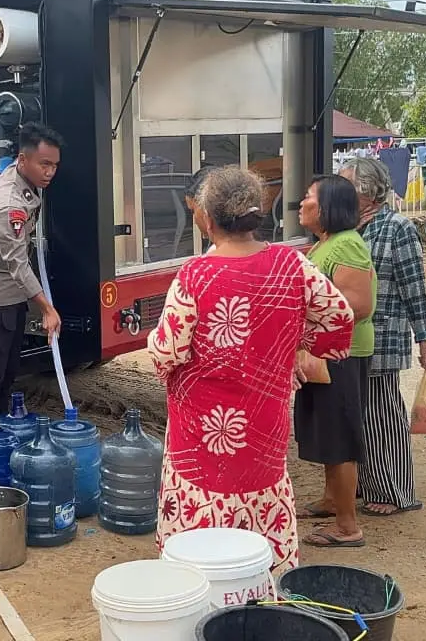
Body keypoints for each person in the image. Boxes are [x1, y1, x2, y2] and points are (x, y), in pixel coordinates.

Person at [148, 166, 355, 571]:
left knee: (198, 559)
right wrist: (295, 344)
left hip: (199, 440)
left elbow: (166, 352)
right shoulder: (291, 265)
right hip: (264, 431)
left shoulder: (195, 276)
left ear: (207, 218)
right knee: (261, 549)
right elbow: (339, 317)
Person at [340, 157, 426, 517]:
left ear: (365, 191)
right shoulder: (351, 228)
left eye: (345, 184)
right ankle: (369, 485)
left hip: (385, 338)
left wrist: (425, 338)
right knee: (360, 417)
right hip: (354, 341)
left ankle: (397, 492)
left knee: (383, 415)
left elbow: (415, 288)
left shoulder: (397, 228)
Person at [294, 175, 377, 549]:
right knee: (328, 434)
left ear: (328, 208)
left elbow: (359, 305)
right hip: (323, 356)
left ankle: (347, 526)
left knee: (340, 437)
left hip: (340, 356)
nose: (302, 202)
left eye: (309, 198)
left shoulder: (348, 246)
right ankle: (332, 500)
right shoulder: (326, 245)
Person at [0, 122, 64, 425]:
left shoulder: (23, 181)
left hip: (11, 298)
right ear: (22, 160)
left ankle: (1, 433)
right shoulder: (8, 205)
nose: (50, 172)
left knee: (7, 374)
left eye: (54, 165)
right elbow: (16, 263)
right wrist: (47, 308)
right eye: (44, 164)